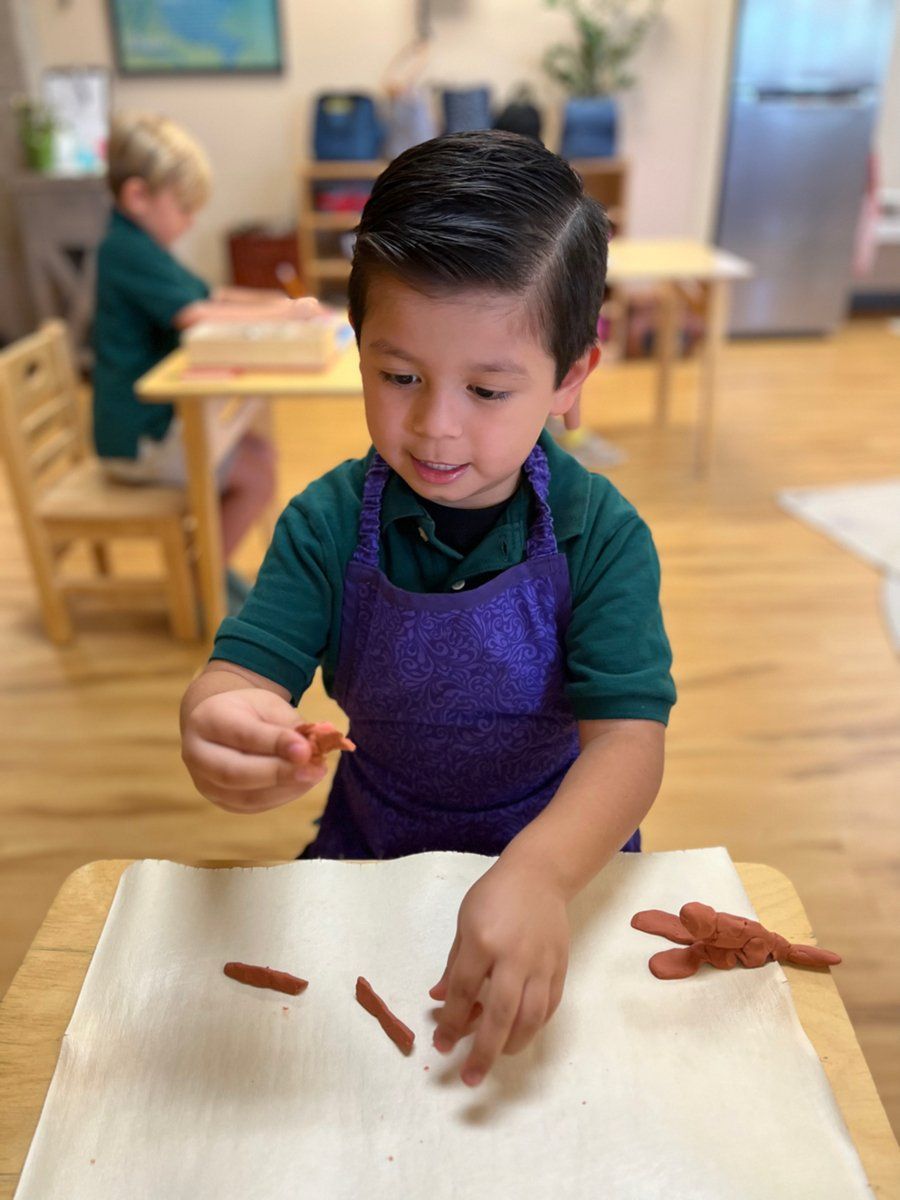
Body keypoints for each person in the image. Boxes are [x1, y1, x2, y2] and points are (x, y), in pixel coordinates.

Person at [180, 131, 675, 1085]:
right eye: (398, 376)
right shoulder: (327, 524)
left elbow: (629, 744)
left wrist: (537, 874)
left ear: (573, 377)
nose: (435, 425)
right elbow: (241, 675)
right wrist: (218, 721)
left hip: (562, 858)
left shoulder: (598, 534)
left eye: (488, 389)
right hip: (375, 846)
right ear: (357, 348)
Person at [93, 112, 314, 608]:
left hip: (148, 424)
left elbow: (208, 293)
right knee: (256, 475)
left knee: (257, 454)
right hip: (137, 437)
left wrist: (276, 306)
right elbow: (194, 314)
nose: (191, 220)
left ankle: (209, 568)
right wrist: (281, 315)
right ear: (137, 196)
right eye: (184, 207)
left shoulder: (139, 243)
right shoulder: (124, 249)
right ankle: (202, 581)